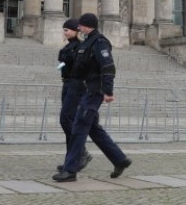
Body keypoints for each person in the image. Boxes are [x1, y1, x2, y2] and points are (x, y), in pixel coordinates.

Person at [52, 12, 132, 182]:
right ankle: (119, 159)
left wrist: (108, 92)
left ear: (87, 26)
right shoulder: (87, 42)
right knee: (92, 127)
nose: (78, 27)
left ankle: (70, 170)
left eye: (80, 25)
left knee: (79, 126)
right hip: (85, 89)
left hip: (93, 91)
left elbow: (108, 67)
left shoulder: (100, 42)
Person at [56, 18, 91, 172]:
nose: (64, 32)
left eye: (66, 30)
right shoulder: (68, 47)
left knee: (67, 120)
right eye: (64, 30)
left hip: (74, 85)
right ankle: (73, 158)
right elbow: (62, 64)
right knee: (67, 120)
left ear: (75, 31)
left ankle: (80, 152)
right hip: (66, 83)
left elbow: (75, 65)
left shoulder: (79, 47)